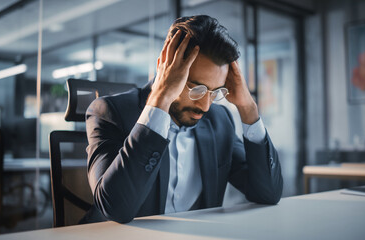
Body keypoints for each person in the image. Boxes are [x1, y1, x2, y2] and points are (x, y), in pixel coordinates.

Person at [85, 15, 283, 224]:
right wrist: (159, 102)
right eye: (196, 89)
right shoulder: (109, 112)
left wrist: (248, 108)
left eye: (215, 92)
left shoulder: (220, 121)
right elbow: (115, 209)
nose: (205, 106)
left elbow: (268, 194)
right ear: (164, 67)